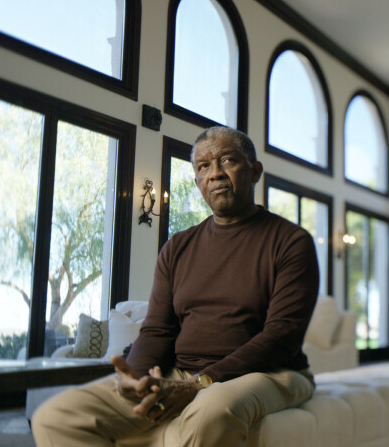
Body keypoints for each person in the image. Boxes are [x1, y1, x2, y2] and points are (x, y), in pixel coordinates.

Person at [32, 126, 320, 446]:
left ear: (254, 171)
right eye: (203, 166)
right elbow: (157, 330)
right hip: (182, 373)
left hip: (271, 373)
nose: (215, 173)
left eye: (227, 160)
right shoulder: (178, 247)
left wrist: (202, 383)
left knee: (211, 411)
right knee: (56, 416)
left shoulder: (291, 242)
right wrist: (136, 376)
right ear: (197, 182)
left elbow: (281, 336)